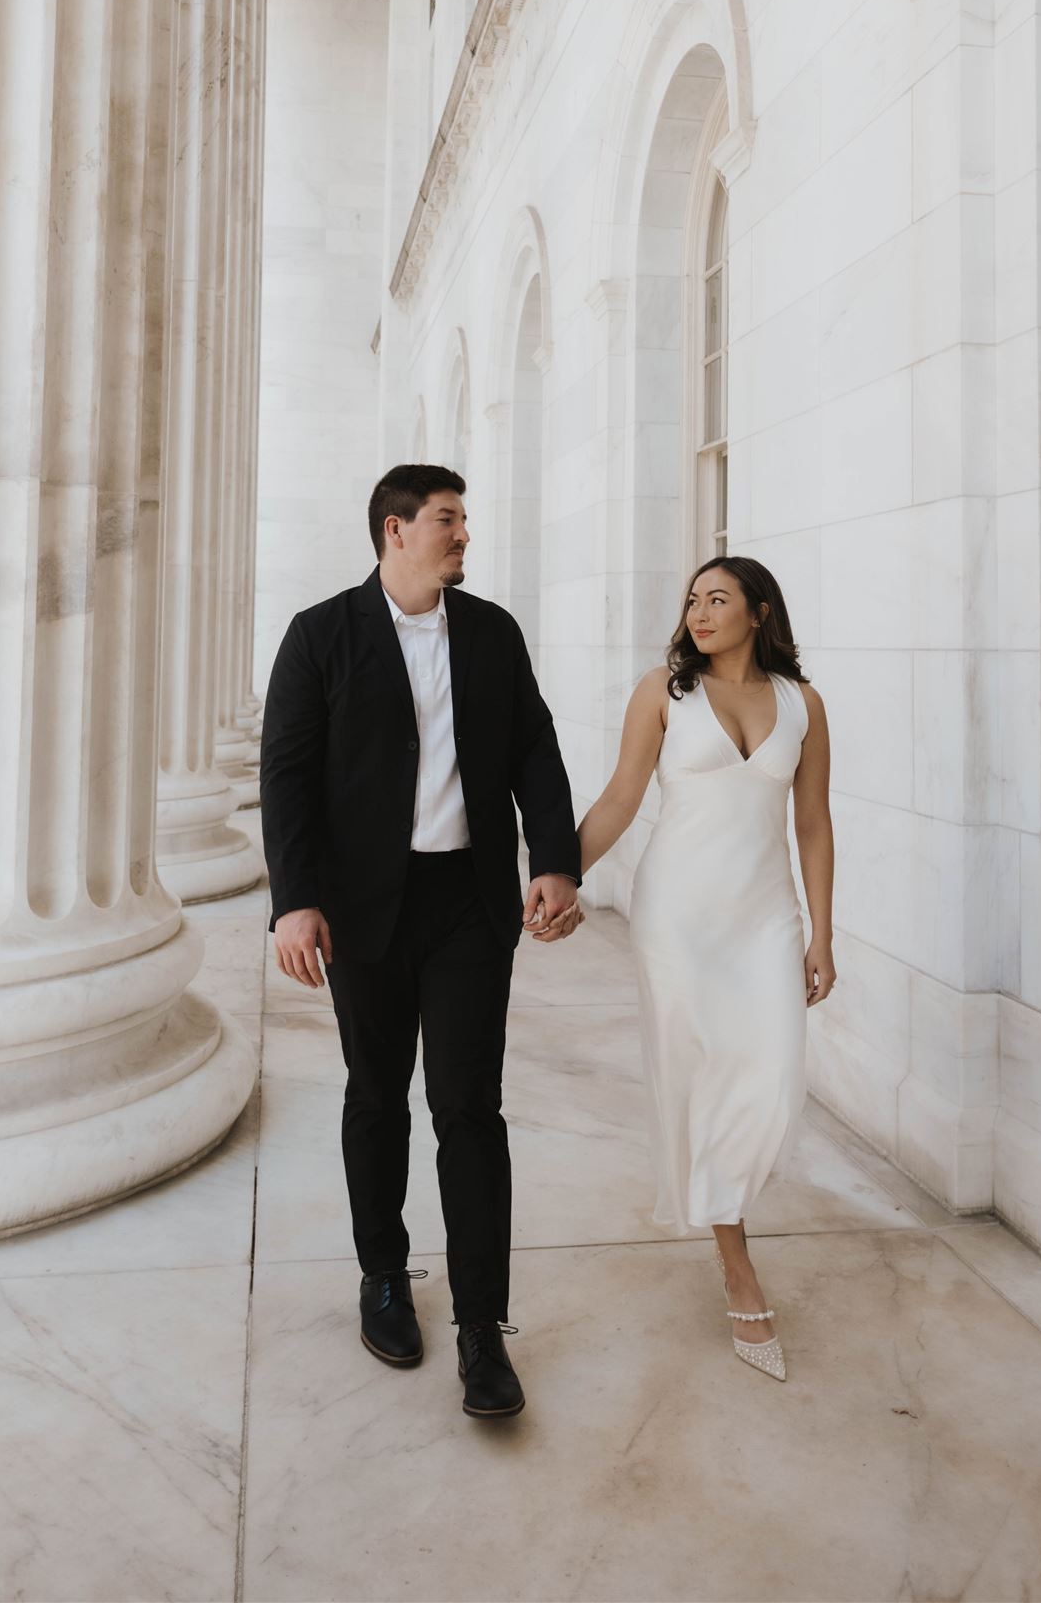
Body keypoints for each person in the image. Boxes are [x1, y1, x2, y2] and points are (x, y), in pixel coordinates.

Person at [260, 465, 582, 1420]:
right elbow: (288, 775)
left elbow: (535, 747)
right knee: (375, 1096)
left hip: (468, 907)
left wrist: (556, 859)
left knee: (469, 1112)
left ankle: (483, 1329)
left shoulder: (490, 632)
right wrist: (295, 900)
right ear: (395, 531)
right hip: (363, 910)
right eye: (448, 520)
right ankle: (385, 1277)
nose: (463, 536)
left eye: (465, 520)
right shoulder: (320, 635)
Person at [575, 556, 836, 1382]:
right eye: (691, 598)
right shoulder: (663, 691)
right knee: (703, 1081)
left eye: (717, 599)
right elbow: (620, 796)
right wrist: (555, 876)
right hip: (676, 919)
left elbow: (813, 824)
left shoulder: (803, 703)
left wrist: (819, 935)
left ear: (759, 612)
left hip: (763, 919)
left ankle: (726, 1220)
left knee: (771, 1084)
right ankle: (738, 1266)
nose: (698, 610)